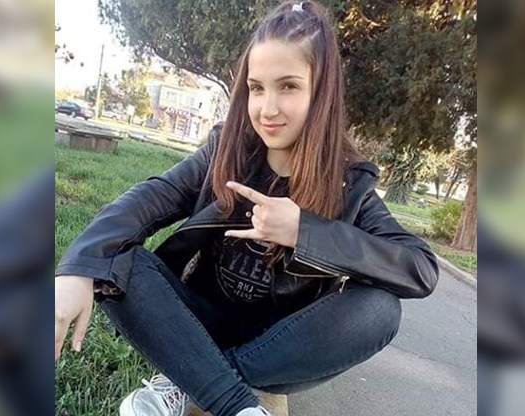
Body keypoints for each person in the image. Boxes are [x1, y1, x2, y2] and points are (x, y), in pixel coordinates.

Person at [54, 2, 439, 416]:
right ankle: (239, 405)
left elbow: (419, 267)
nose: (267, 109)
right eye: (257, 88)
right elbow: (151, 197)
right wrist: (76, 268)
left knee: (381, 310)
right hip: (198, 324)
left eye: (288, 86)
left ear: (321, 92)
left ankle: (195, 382)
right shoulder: (226, 152)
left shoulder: (349, 184)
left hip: (281, 348)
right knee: (118, 258)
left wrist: (304, 231)